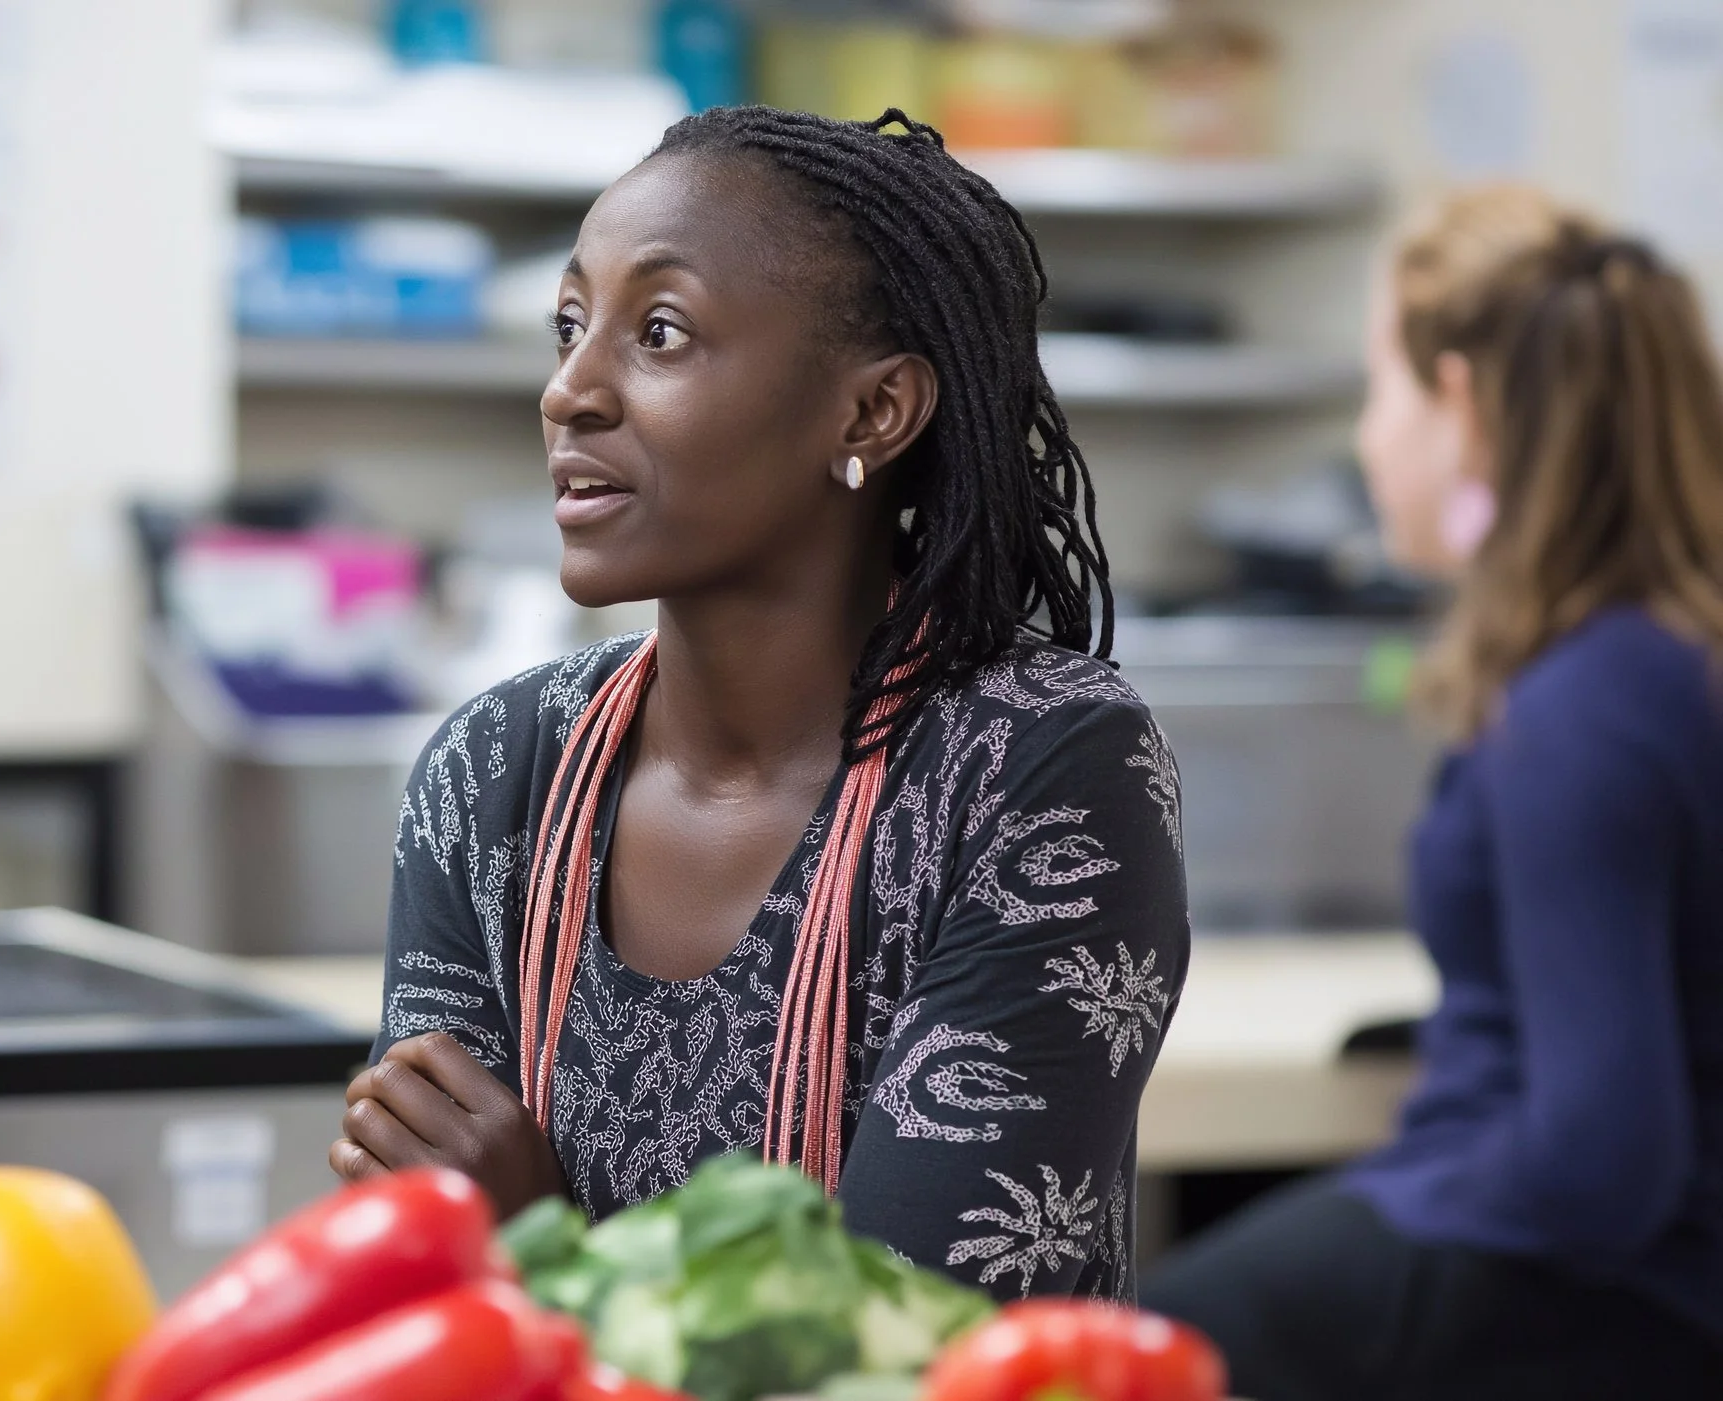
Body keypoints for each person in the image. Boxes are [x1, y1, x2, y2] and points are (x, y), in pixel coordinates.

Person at [322, 104, 1191, 1303]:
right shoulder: (497, 770)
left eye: (660, 333)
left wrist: (542, 1244)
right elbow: (413, 1275)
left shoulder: (1035, 767)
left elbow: (912, 1344)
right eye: (569, 325)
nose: (569, 391)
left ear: (871, 413)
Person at [1144, 186, 1723, 1398]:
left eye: (1380, 391)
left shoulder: (1580, 709)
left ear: (1458, 403)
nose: (1367, 443)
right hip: (1636, 1276)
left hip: (1618, 1294)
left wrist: (1386, 1216)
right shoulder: (1652, 659)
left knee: (1102, 1361)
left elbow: (1600, 1165)